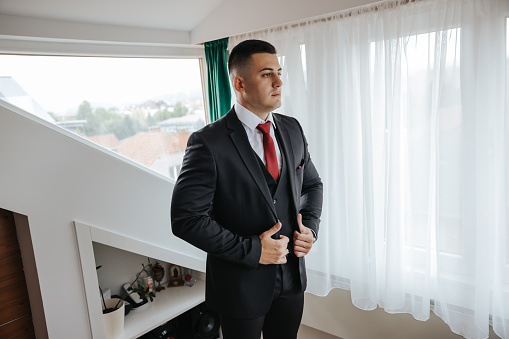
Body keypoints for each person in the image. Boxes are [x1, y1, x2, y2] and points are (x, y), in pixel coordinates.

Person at [171, 39, 323, 339]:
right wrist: (254, 250)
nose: (279, 81)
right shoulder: (207, 143)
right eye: (267, 74)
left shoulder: (292, 129)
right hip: (239, 288)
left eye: (279, 72)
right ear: (240, 83)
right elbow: (186, 220)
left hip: (291, 279)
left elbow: (313, 185)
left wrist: (311, 230)